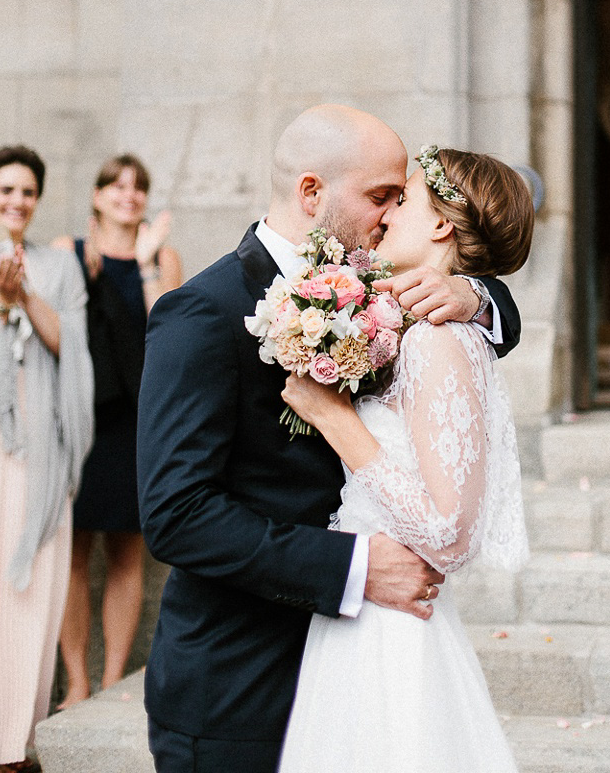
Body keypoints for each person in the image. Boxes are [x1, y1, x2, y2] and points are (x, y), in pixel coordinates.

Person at [137, 105, 522, 773]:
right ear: (311, 193)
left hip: (357, 666)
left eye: (404, 198)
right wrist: (356, 569)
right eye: (381, 197)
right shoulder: (203, 312)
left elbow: (487, 323)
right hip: (243, 679)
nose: (390, 212)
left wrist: (474, 292)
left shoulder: (391, 289)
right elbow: (177, 514)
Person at [278, 145, 533, 773]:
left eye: (404, 197)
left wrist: (335, 418)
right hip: (359, 607)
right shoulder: (410, 321)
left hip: (390, 626)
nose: (387, 213)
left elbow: (450, 533)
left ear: (442, 224)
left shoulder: (440, 342)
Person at [0, 145, 93, 773]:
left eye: (28, 193)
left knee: (26, 588)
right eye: (5, 190)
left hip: (38, 448)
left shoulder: (60, 265)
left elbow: (73, 347)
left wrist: (26, 294)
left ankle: (10, 741)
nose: (17, 202)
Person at [54, 155, 182, 707]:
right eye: (115, 185)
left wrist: (149, 261)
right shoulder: (68, 251)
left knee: (129, 552)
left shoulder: (166, 257)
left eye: (138, 187)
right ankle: (76, 680)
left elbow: (166, 332)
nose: (127, 195)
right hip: (83, 415)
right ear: (97, 194)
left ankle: (110, 683)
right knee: (74, 551)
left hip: (136, 420)